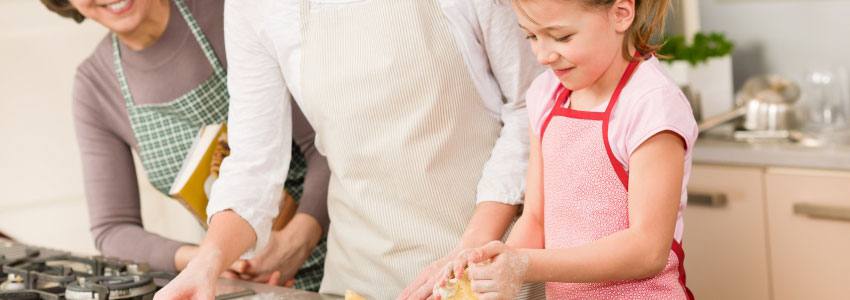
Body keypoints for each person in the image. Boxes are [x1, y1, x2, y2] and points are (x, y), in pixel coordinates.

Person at [154, 0, 543, 299]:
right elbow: (254, 162)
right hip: (359, 278)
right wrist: (207, 263)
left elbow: (531, 103)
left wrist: (472, 250)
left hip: (488, 270)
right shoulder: (254, 7)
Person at [40, 0, 331, 291]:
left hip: (338, 252)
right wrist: (208, 260)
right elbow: (112, 229)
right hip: (242, 279)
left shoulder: (228, 12)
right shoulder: (96, 84)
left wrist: (297, 239)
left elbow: (324, 143)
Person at [443, 0, 698, 298]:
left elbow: (647, 250)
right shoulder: (546, 95)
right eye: (532, 36)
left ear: (621, 14)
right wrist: (492, 267)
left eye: (562, 37)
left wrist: (525, 265)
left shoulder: (651, 104)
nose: (543, 56)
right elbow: (535, 219)